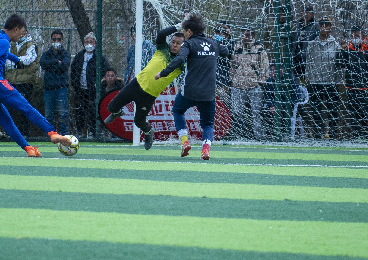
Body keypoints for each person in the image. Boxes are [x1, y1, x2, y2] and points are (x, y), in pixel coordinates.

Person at [0, 14, 73, 157]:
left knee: (5, 120)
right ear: (16, 29)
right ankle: (52, 133)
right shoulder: (4, 42)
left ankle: (29, 149)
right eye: (22, 32)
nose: (21, 36)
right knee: (26, 108)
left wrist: (16, 59)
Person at [155, 14, 229, 160]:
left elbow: (180, 59)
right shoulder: (213, 43)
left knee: (177, 110)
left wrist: (162, 73)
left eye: (184, 32)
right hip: (208, 93)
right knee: (207, 123)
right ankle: (205, 150)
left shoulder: (188, 44)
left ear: (189, 32)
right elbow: (227, 52)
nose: (184, 35)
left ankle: (185, 141)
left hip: (189, 92)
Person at [105, 26, 185, 149]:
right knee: (111, 107)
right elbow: (162, 34)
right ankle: (118, 112)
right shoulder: (162, 49)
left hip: (149, 95)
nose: (174, 45)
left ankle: (148, 132)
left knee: (138, 121)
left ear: (183, 46)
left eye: (178, 44)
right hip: (136, 85)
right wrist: (177, 27)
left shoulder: (182, 62)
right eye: (173, 42)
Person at [337, 25, 368, 140]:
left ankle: (366, 135)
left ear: (363, 37)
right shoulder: (347, 50)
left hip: (367, 88)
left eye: (357, 35)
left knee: (366, 113)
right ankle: (356, 136)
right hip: (351, 88)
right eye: (352, 36)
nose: (354, 38)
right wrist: (341, 50)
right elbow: (339, 64)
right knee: (354, 114)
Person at [302, 16, 342, 140]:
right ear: (319, 27)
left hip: (331, 82)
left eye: (327, 25)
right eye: (321, 25)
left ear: (330, 27)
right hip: (315, 82)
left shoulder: (335, 44)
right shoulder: (312, 44)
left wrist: (338, 80)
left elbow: (339, 64)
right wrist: (308, 77)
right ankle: (318, 134)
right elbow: (308, 62)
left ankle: (334, 134)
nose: (324, 28)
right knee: (316, 110)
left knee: (333, 110)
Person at [229, 27, 270, 139]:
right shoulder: (236, 47)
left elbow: (265, 67)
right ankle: (239, 135)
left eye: (247, 35)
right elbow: (232, 65)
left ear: (252, 36)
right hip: (238, 85)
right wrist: (232, 80)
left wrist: (261, 81)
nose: (244, 37)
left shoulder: (260, 49)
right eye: (243, 35)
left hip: (254, 85)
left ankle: (259, 136)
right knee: (237, 112)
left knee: (256, 113)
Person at [70, 32, 111, 140]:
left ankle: (93, 132)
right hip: (81, 89)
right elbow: (73, 70)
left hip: (94, 90)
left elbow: (105, 72)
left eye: (91, 42)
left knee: (94, 111)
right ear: (83, 43)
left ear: (95, 43)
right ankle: (80, 132)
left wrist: (98, 85)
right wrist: (75, 84)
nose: (89, 44)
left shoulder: (101, 57)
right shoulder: (79, 56)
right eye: (87, 42)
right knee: (80, 111)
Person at [5, 25, 40, 137]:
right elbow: (6, 62)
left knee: (24, 109)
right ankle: (10, 132)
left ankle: (25, 133)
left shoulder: (31, 46)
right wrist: (19, 61)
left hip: (25, 82)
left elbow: (28, 60)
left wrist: (15, 61)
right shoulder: (10, 45)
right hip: (12, 81)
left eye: (24, 32)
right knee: (9, 109)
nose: (21, 34)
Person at [39, 29, 71, 135]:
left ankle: (64, 134)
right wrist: (56, 62)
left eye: (58, 39)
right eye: (54, 39)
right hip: (48, 88)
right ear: (51, 41)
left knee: (63, 113)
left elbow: (64, 65)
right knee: (48, 114)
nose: (56, 41)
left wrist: (51, 66)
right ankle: (50, 134)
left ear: (62, 41)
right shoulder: (46, 54)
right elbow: (43, 64)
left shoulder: (66, 53)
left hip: (61, 87)